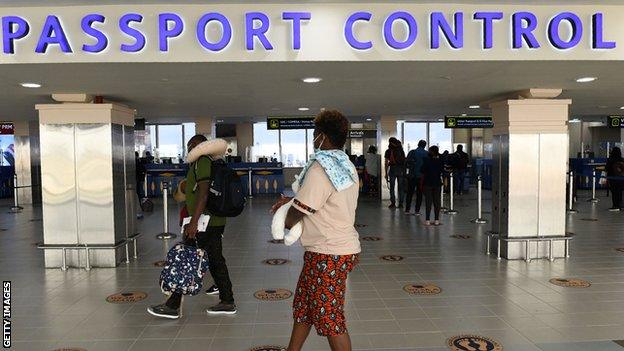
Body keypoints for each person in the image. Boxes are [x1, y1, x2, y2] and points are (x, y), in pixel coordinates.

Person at [271, 110, 361, 351]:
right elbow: (319, 201)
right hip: (335, 249)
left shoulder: (320, 169)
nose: (313, 140)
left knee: (330, 318)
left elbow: (298, 213)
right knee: (305, 306)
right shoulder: (345, 165)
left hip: (328, 253)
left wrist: (285, 217)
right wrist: (291, 203)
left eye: (314, 135)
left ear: (321, 137)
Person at [148, 134, 236, 319]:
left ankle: (173, 305)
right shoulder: (208, 161)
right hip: (212, 221)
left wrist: (193, 223)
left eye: (191, 145)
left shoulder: (202, 161)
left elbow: (203, 193)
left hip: (204, 222)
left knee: (188, 260)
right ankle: (226, 300)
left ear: (200, 146)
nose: (189, 149)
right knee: (213, 260)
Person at [421, 145, 444, 226]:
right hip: (437, 183)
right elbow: (442, 171)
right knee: (437, 202)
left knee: (428, 202)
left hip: (428, 183)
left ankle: (427, 220)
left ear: (431, 152)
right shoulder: (440, 161)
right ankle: (436, 220)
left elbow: (422, 170)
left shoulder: (427, 161)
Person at [404, 140, 428, 215]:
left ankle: (407, 210)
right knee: (419, 193)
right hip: (421, 177)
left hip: (412, 176)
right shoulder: (426, 153)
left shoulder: (412, 152)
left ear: (418, 144)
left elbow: (406, 163)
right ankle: (417, 211)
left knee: (410, 193)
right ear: (425, 146)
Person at [384, 137, 406, 208]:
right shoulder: (401, 150)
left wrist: (386, 173)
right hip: (401, 170)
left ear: (390, 142)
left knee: (392, 187)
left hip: (393, 170)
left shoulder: (388, 151)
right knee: (401, 188)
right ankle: (401, 203)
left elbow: (386, 163)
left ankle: (393, 203)